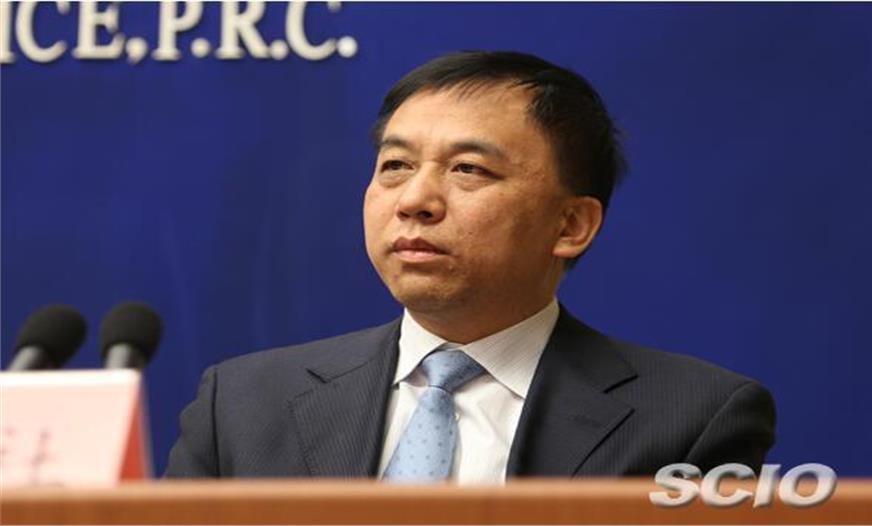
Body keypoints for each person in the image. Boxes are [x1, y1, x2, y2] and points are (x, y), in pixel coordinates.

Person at [165, 51, 775, 484]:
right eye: (395, 166)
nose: (414, 200)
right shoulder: (242, 405)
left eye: (468, 170)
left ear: (571, 225)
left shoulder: (692, 418)